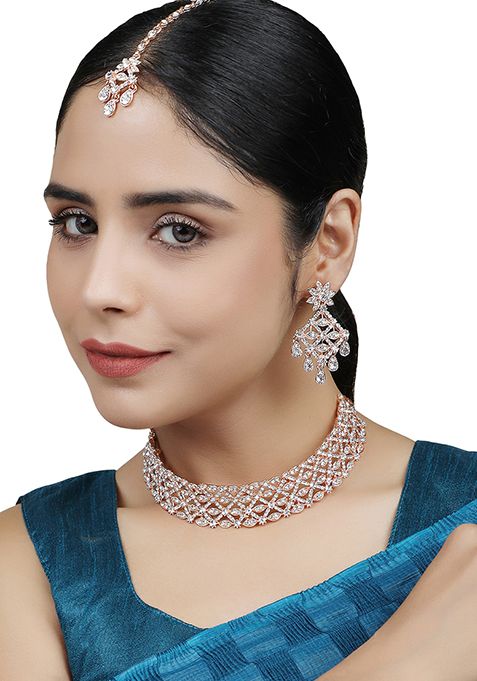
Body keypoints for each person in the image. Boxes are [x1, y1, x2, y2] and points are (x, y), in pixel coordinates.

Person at [1, 0, 476, 679]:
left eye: (179, 230)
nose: (99, 289)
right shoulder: (32, 564)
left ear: (328, 242)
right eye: (76, 222)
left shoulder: (462, 516)